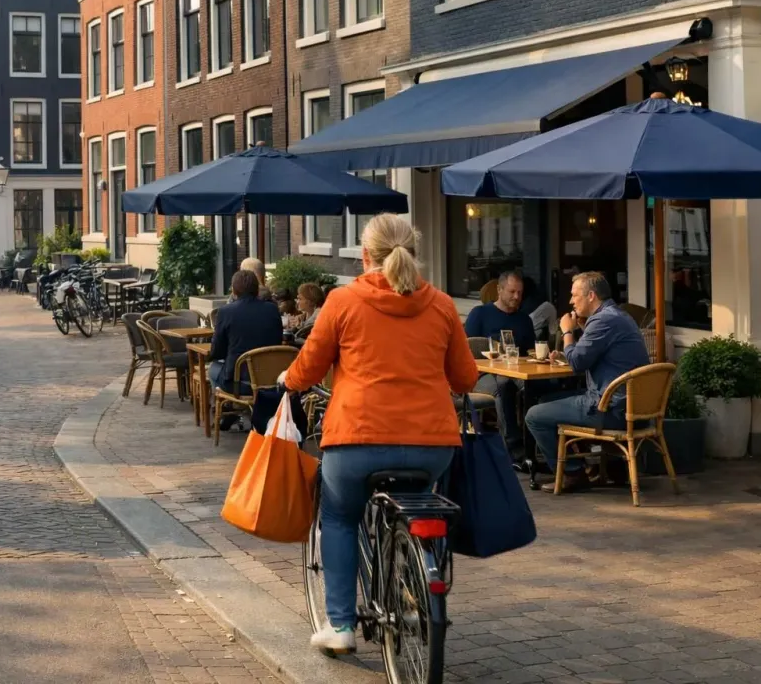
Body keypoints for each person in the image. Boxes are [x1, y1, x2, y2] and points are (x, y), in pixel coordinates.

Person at [278, 213, 477, 654]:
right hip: (431, 446)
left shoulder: (343, 302)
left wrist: (287, 381)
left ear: (365, 255)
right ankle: (414, 586)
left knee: (340, 518)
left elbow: (309, 366)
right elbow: (465, 379)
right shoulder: (442, 305)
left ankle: (343, 626)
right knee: (420, 504)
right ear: (414, 252)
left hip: (357, 441)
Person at [523, 271, 649, 493]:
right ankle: (597, 465)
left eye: (574, 295)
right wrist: (574, 344)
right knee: (545, 400)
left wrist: (568, 332)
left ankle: (572, 473)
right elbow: (590, 355)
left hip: (612, 410)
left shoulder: (603, 320)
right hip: (635, 407)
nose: (571, 301)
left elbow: (579, 363)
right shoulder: (618, 315)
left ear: (591, 296)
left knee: (534, 415)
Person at [464, 271, 536, 453]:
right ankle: (513, 447)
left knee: (536, 387)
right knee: (502, 386)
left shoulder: (524, 319)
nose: (517, 297)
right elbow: (466, 350)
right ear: (499, 290)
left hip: (516, 371)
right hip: (483, 374)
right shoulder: (480, 314)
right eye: (512, 292)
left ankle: (535, 445)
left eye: (520, 292)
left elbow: (530, 352)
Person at [209, 270, 284, 425]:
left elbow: (217, 351)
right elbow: (277, 340)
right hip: (269, 380)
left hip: (239, 383)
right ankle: (243, 411)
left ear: (234, 290)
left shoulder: (225, 312)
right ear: (256, 289)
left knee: (212, 369)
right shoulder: (272, 310)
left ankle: (229, 408)